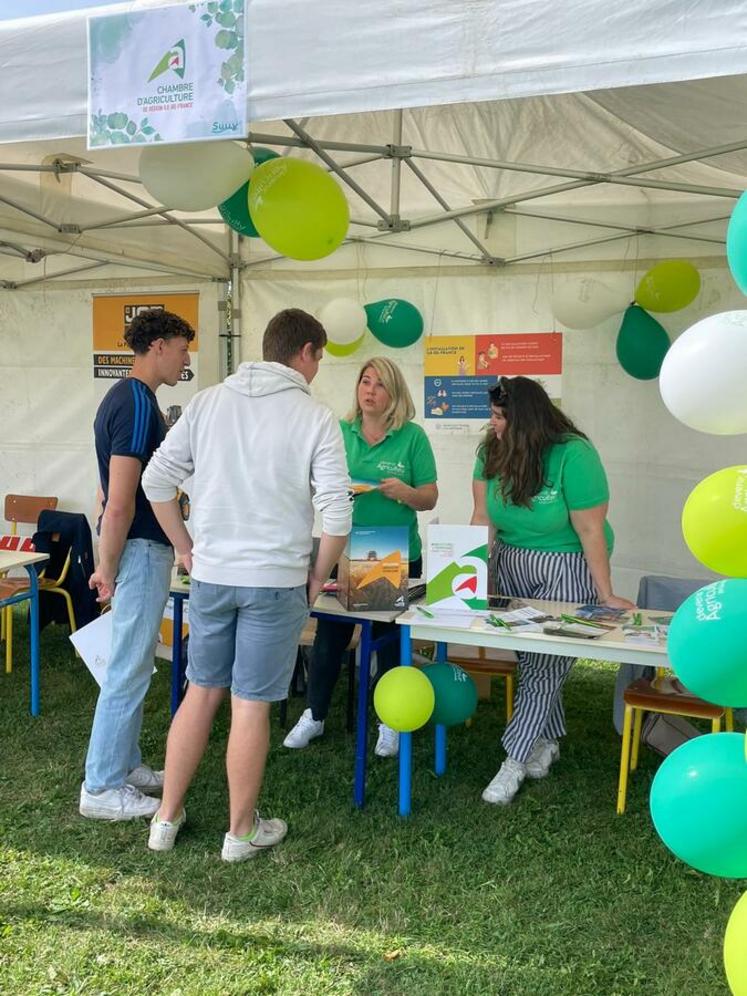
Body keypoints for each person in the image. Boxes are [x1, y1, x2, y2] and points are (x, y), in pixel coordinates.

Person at [142, 309, 351, 861]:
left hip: (212, 575)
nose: (317, 369)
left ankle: (165, 818)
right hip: (276, 579)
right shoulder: (314, 417)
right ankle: (240, 832)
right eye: (319, 358)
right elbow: (337, 516)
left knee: (201, 692)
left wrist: (186, 548)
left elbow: (155, 481)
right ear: (304, 352)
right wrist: (317, 575)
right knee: (251, 704)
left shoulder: (209, 402)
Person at [471, 376, 634, 805]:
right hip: (511, 563)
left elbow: (590, 528)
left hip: (568, 566)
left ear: (527, 420)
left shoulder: (574, 455)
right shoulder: (490, 451)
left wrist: (606, 593)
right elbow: (481, 517)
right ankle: (547, 741)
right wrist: (471, 576)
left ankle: (513, 758)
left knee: (545, 666)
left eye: (501, 417)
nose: (494, 425)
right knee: (532, 661)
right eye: (492, 416)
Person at [284, 357, 438, 758]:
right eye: (364, 382)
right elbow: (313, 480)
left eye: (379, 384)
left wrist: (403, 491)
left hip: (395, 553)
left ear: (394, 393)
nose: (369, 390)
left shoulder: (413, 438)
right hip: (347, 549)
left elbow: (430, 496)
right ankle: (314, 715)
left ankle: (389, 721)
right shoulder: (339, 431)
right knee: (330, 636)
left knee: (388, 643)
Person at [80, 308, 195, 821]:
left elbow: (109, 491)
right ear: (158, 346)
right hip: (141, 548)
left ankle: (123, 764)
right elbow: (120, 498)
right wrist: (106, 565)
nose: (186, 358)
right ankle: (101, 786)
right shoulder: (137, 402)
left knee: (132, 661)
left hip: (137, 547)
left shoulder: (126, 398)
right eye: (181, 347)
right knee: (128, 667)